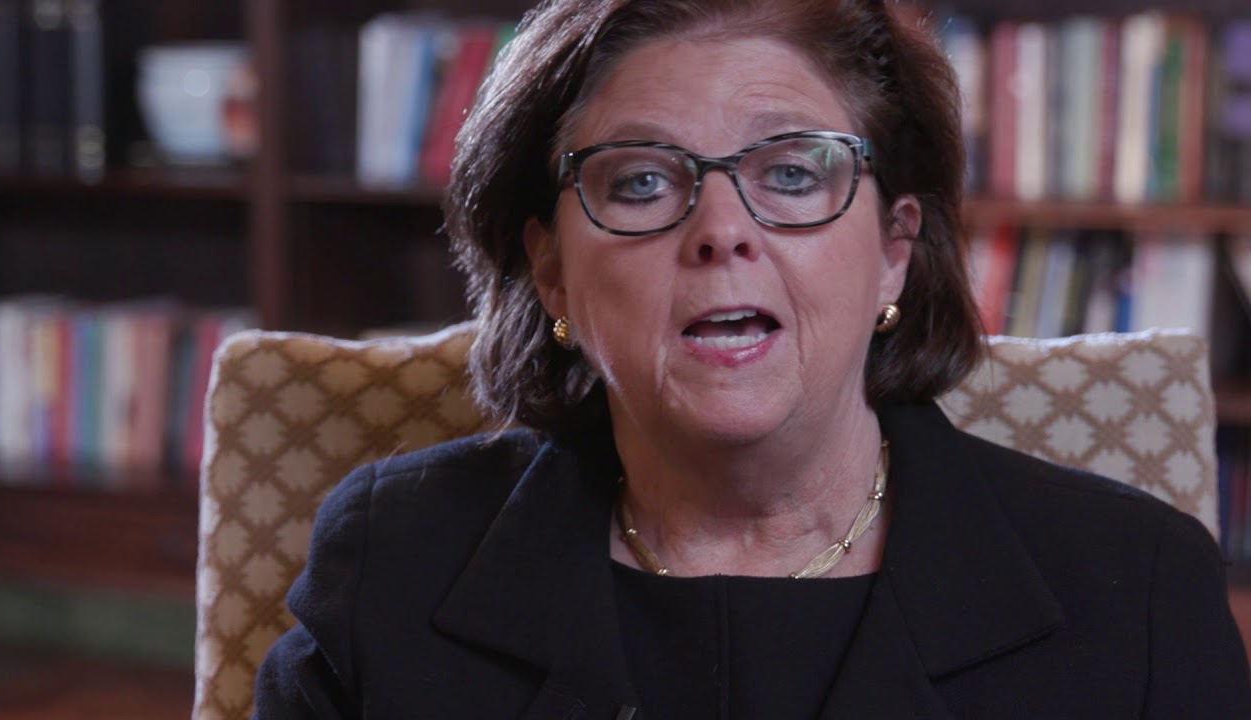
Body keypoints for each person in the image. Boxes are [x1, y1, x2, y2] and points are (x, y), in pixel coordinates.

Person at [255, 0, 1251, 716]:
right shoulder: (394, 559)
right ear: (552, 273)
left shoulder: (1136, 591)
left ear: (893, 249)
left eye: (792, 172)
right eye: (641, 183)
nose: (721, 230)